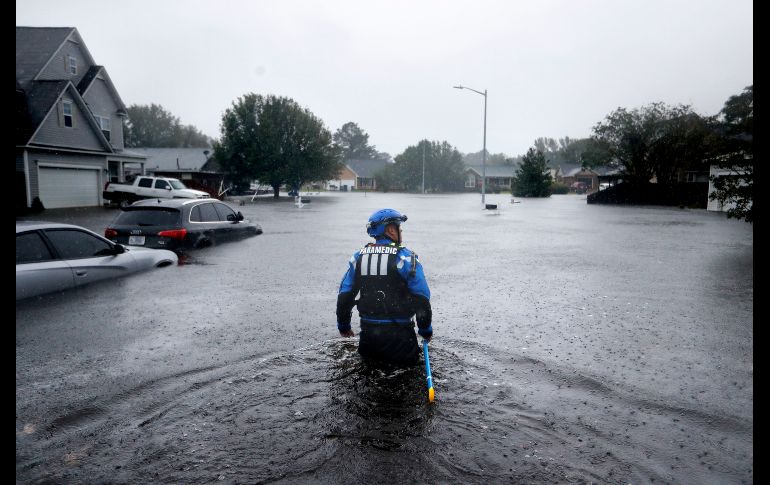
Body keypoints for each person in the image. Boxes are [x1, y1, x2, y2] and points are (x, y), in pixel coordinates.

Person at [336, 208, 432, 366]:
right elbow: (421, 298)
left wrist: (344, 326)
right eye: (399, 227)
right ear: (390, 230)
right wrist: (425, 330)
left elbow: (345, 296)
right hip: (401, 339)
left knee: (369, 372)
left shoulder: (358, 258)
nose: (401, 231)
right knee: (406, 375)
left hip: (368, 336)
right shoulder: (406, 258)